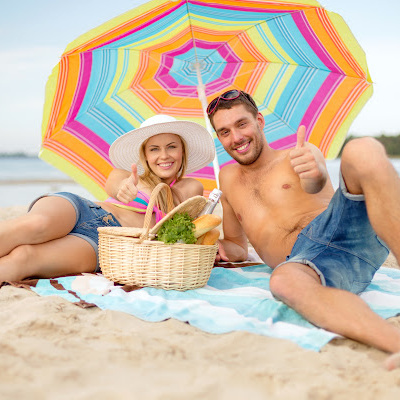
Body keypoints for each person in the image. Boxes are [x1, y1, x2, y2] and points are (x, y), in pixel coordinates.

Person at [207, 89, 400, 370]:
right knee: (282, 283)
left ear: (259, 121)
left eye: (242, 124)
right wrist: (223, 249)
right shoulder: (226, 178)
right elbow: (238, 244)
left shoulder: (298, 154)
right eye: (224, 132)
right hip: (310, 266)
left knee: (362, 149)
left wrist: (316, 172)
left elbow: (317, 181)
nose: (235, 138)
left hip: (343, 229)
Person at [0, 115, 215, 283]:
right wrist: (123, 189)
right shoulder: (129, 176)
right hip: (83, 209)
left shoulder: (190, 186)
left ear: (182, 151)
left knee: (25, 257)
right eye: (154, 149)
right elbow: (115, 183)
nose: (164, 155)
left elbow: (183, 218)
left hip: (104, 242)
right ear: (145, 156)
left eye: (172, 146)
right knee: (34, 225)